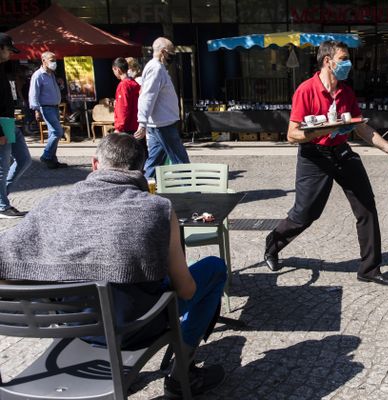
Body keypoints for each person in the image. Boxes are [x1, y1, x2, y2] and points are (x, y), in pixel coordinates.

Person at [0, 133, 228, 398]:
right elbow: (186, 290)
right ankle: (181, 374)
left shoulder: (53, 205)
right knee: (214, 267)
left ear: (95, 164)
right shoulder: (158, 209)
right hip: (136, 328)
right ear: (142, 169)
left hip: (76, 329)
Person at [264, 40, 388, 286]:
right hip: (314, 155)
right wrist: (319, 131)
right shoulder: (306, 90)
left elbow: (362, 128)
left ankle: (369, 269)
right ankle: (272, 245)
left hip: (341, 151)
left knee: (367, 207)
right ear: (327, 61)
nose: (348, 64)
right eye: (343, 59)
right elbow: (292, 135)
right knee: (305, 213)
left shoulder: (346, 92)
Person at [134, 37, 189, 178]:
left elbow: (147, 95)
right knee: (180, 161)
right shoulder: (156, 68)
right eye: (171, 53)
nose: (172, 56)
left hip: (158, 123)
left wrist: (144, 121)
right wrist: (142, 121)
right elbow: (147, 95)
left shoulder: (156, 67)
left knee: (155, 162)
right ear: (163, 52)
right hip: (163, 124)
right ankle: (190, 194)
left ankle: (143, 188)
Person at [0, 32, 31, 218]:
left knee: (24, 160)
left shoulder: (4, 68)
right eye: (8, 49)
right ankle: (2, 206)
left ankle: (1, 196)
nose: (11, 53)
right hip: (2, 124)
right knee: (2, 167)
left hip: (10, 122)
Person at [28, 51, 67, 169]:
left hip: (54, 107)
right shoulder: (38, 75)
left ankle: (52, 160)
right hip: (45, 108)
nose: (54, 63)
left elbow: (53, 91)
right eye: (52, 60)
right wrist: (36, 110)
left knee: (52, 134)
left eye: (55, 60)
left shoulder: (51, 75)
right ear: (43, 61)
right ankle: (46, 156)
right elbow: (33, 94)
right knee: (57, 132)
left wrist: (61, 85)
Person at [112, 57, 140, 134]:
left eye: (113, 70)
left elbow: (123, 108)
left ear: (117, 69)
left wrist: (119, 128)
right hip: (137, 125)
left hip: (127, 128)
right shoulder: (134, 83)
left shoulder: (123, 85)